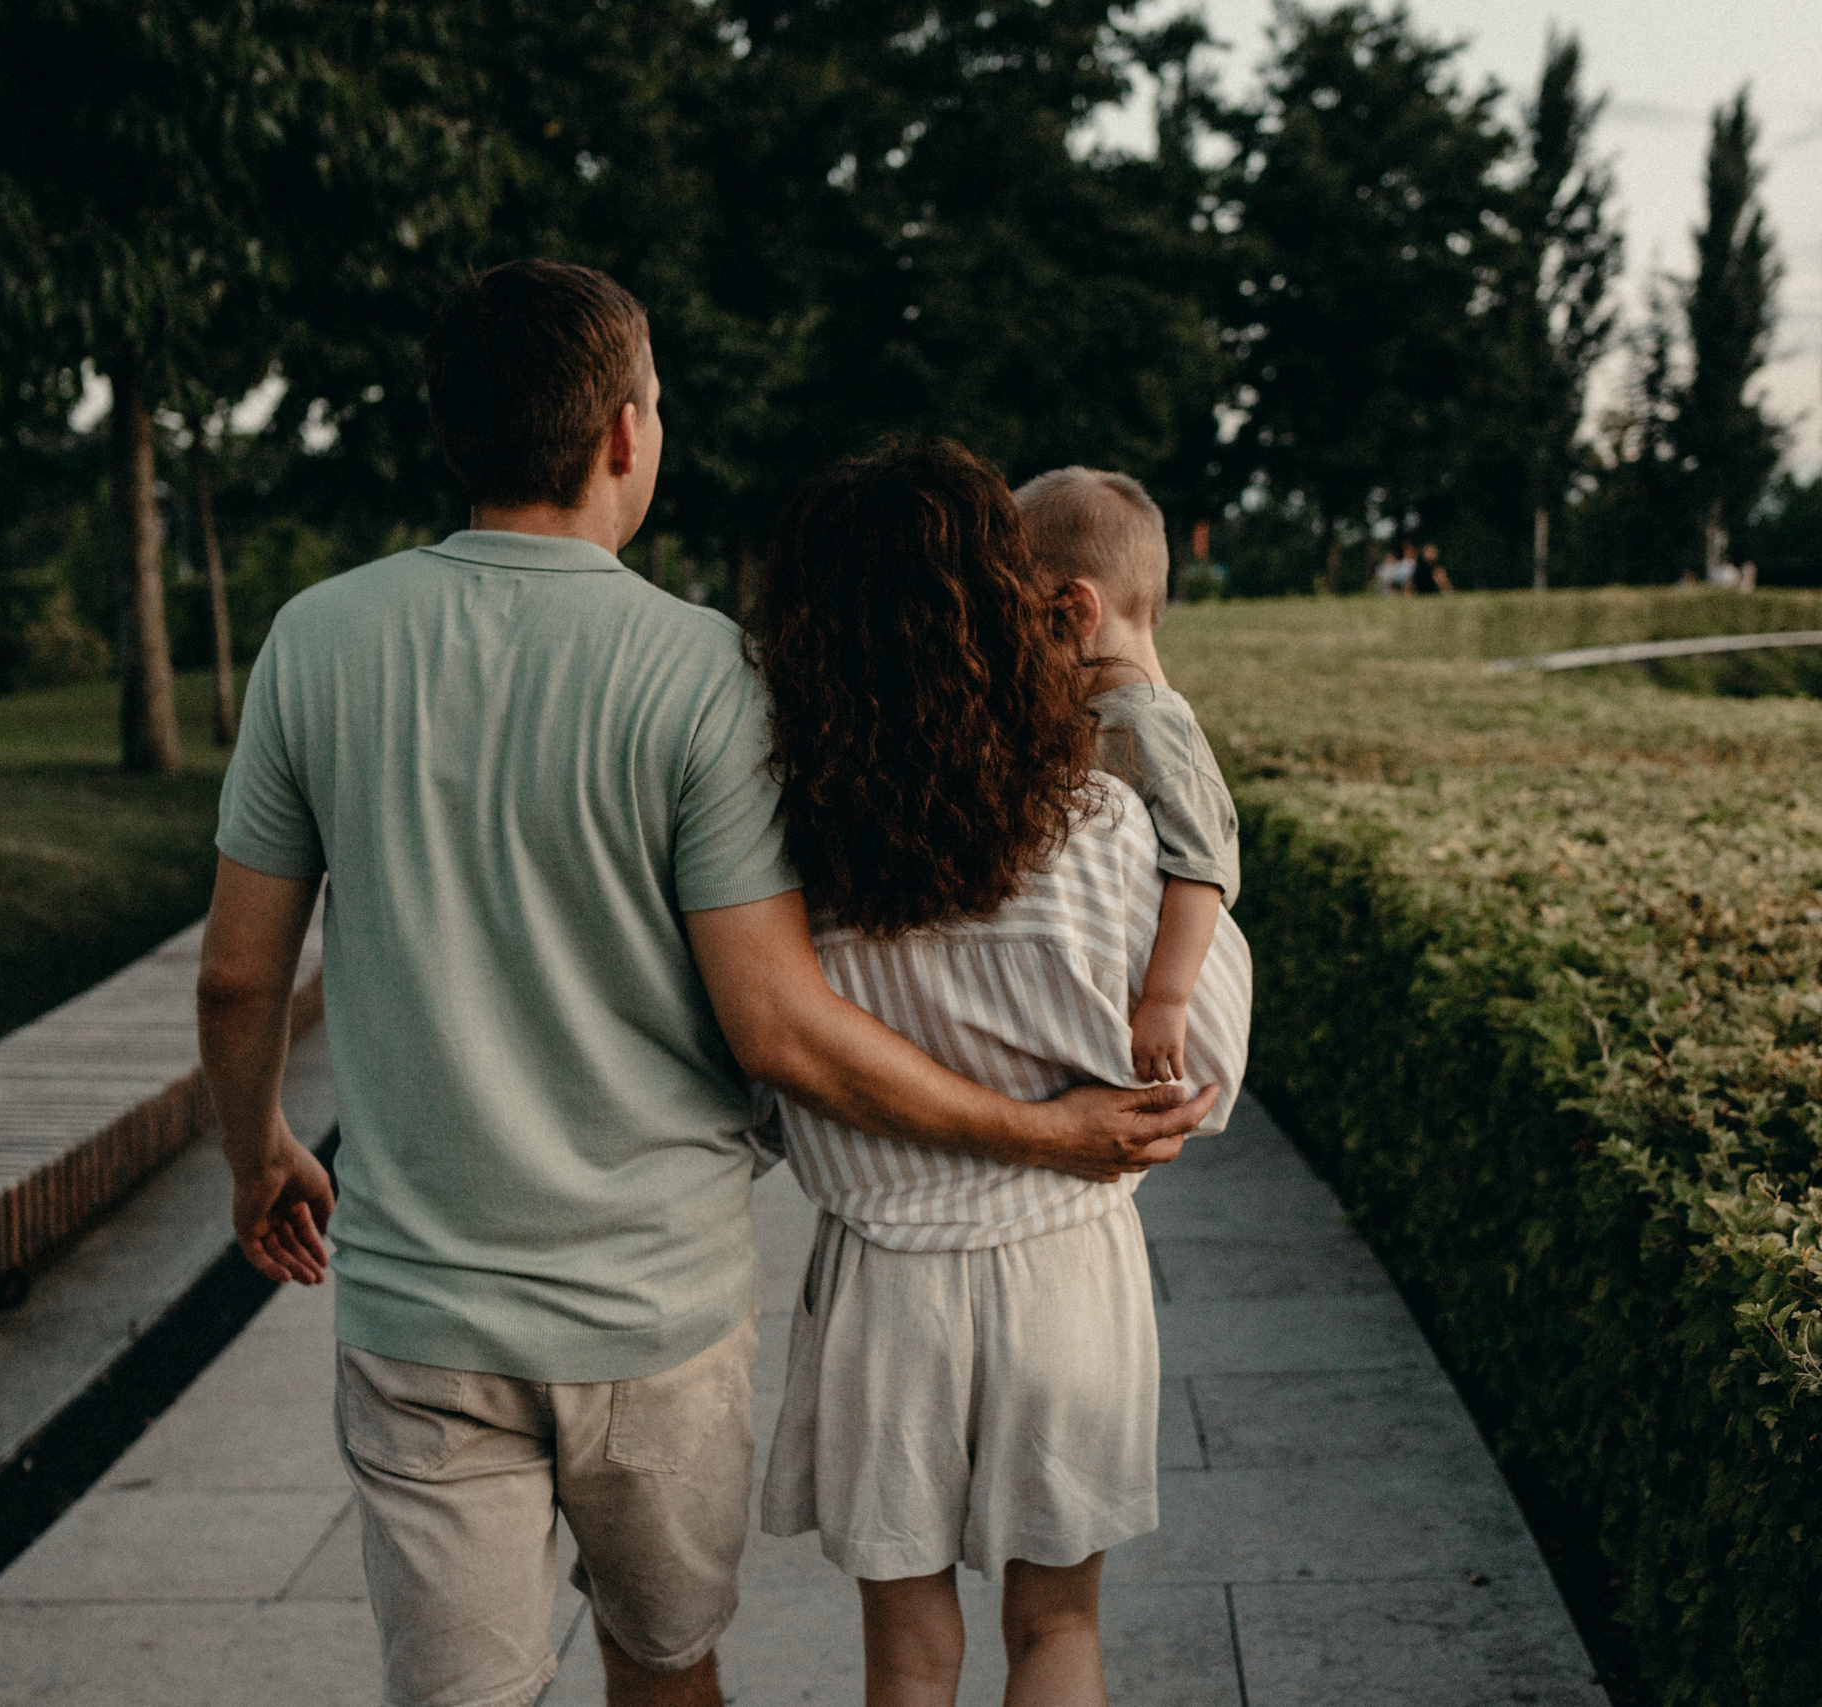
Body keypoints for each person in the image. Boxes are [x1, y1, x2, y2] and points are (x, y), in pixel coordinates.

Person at [193, 262, 1217, 1707]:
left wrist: (258, 1152)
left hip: (421, 1306)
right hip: (654, 1306)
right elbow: (779, 1022)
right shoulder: (703, 675)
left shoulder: (317, 637)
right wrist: (1043, 1131)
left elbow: (240, 973)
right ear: (624, 432)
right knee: (668, 1671)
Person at [750, 441, 1252, 1706]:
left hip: (883, 1286)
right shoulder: (1101, 828)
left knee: (909, 1659)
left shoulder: (789, 867)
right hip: (1065, 1274)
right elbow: (1204, 1075)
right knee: (1058, 1630)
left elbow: (766, 1075)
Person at [1016, 466, 1238, 1084]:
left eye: (1022, 623)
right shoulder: (1100, 711)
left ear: (1075, 610)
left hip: (1152, 1001)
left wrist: (1167, 999)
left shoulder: (1153, 725)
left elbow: (1202, 870)